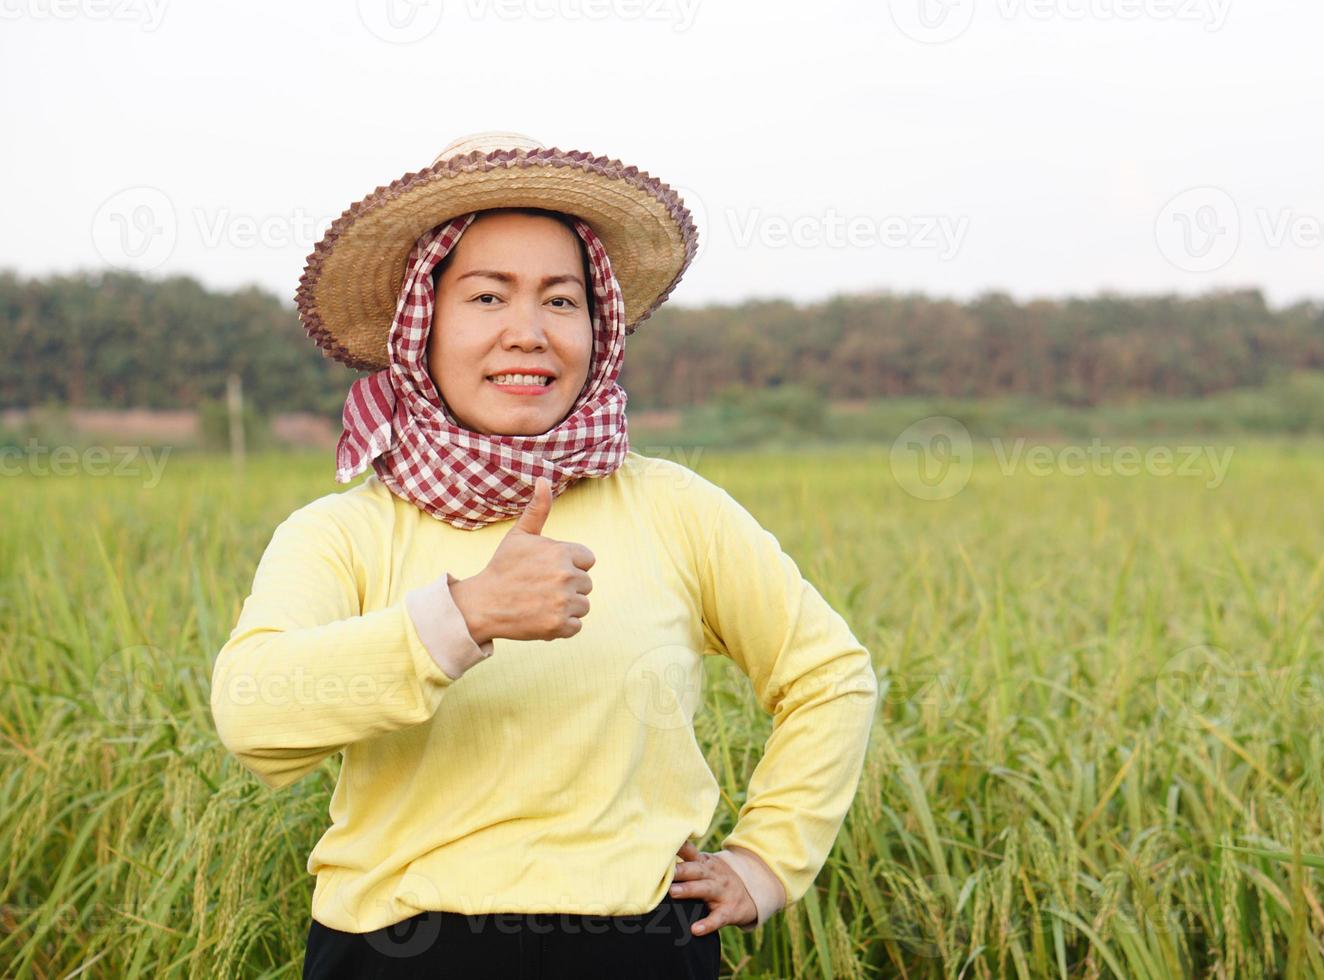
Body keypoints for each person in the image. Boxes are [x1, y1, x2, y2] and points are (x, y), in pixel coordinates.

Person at [210, 131, 879, 979]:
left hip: (635, 946)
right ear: (421, 324)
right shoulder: (344, 531)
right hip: (398, 952)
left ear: (597, 326)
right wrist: (464, 616)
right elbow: (252, 715)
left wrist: (766, 863)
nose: (527, 333)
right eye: (487, 298)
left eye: (560, 301)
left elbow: (829, 676)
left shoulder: (674, 507)